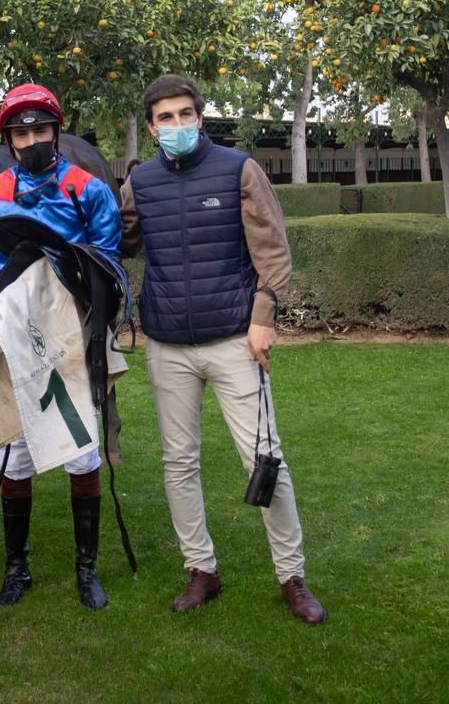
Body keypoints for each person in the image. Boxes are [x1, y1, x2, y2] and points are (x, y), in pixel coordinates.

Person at [119, 74, 326, 623]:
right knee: (178, 463)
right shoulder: (139, 181)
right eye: (166, 117)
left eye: (186, 114)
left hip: (236, 338)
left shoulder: (239, 170)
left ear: (200, 117)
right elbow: (120, 240)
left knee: (264, 459)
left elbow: (273, 253)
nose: (178, 125)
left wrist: (263, 320)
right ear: (151, 125)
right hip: (168, 345)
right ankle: (202, 570)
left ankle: (292, 575)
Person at [0, 83, 122, 611]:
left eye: (40, 130)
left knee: (82, 452)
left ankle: (86, 569)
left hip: (71, 335)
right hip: (10, 335)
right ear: (8, 139)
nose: (31, 140)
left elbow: (109, 262)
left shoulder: (88, 189)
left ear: (57, 130)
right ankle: (19, 567)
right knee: (16, 452)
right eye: (21, 132)